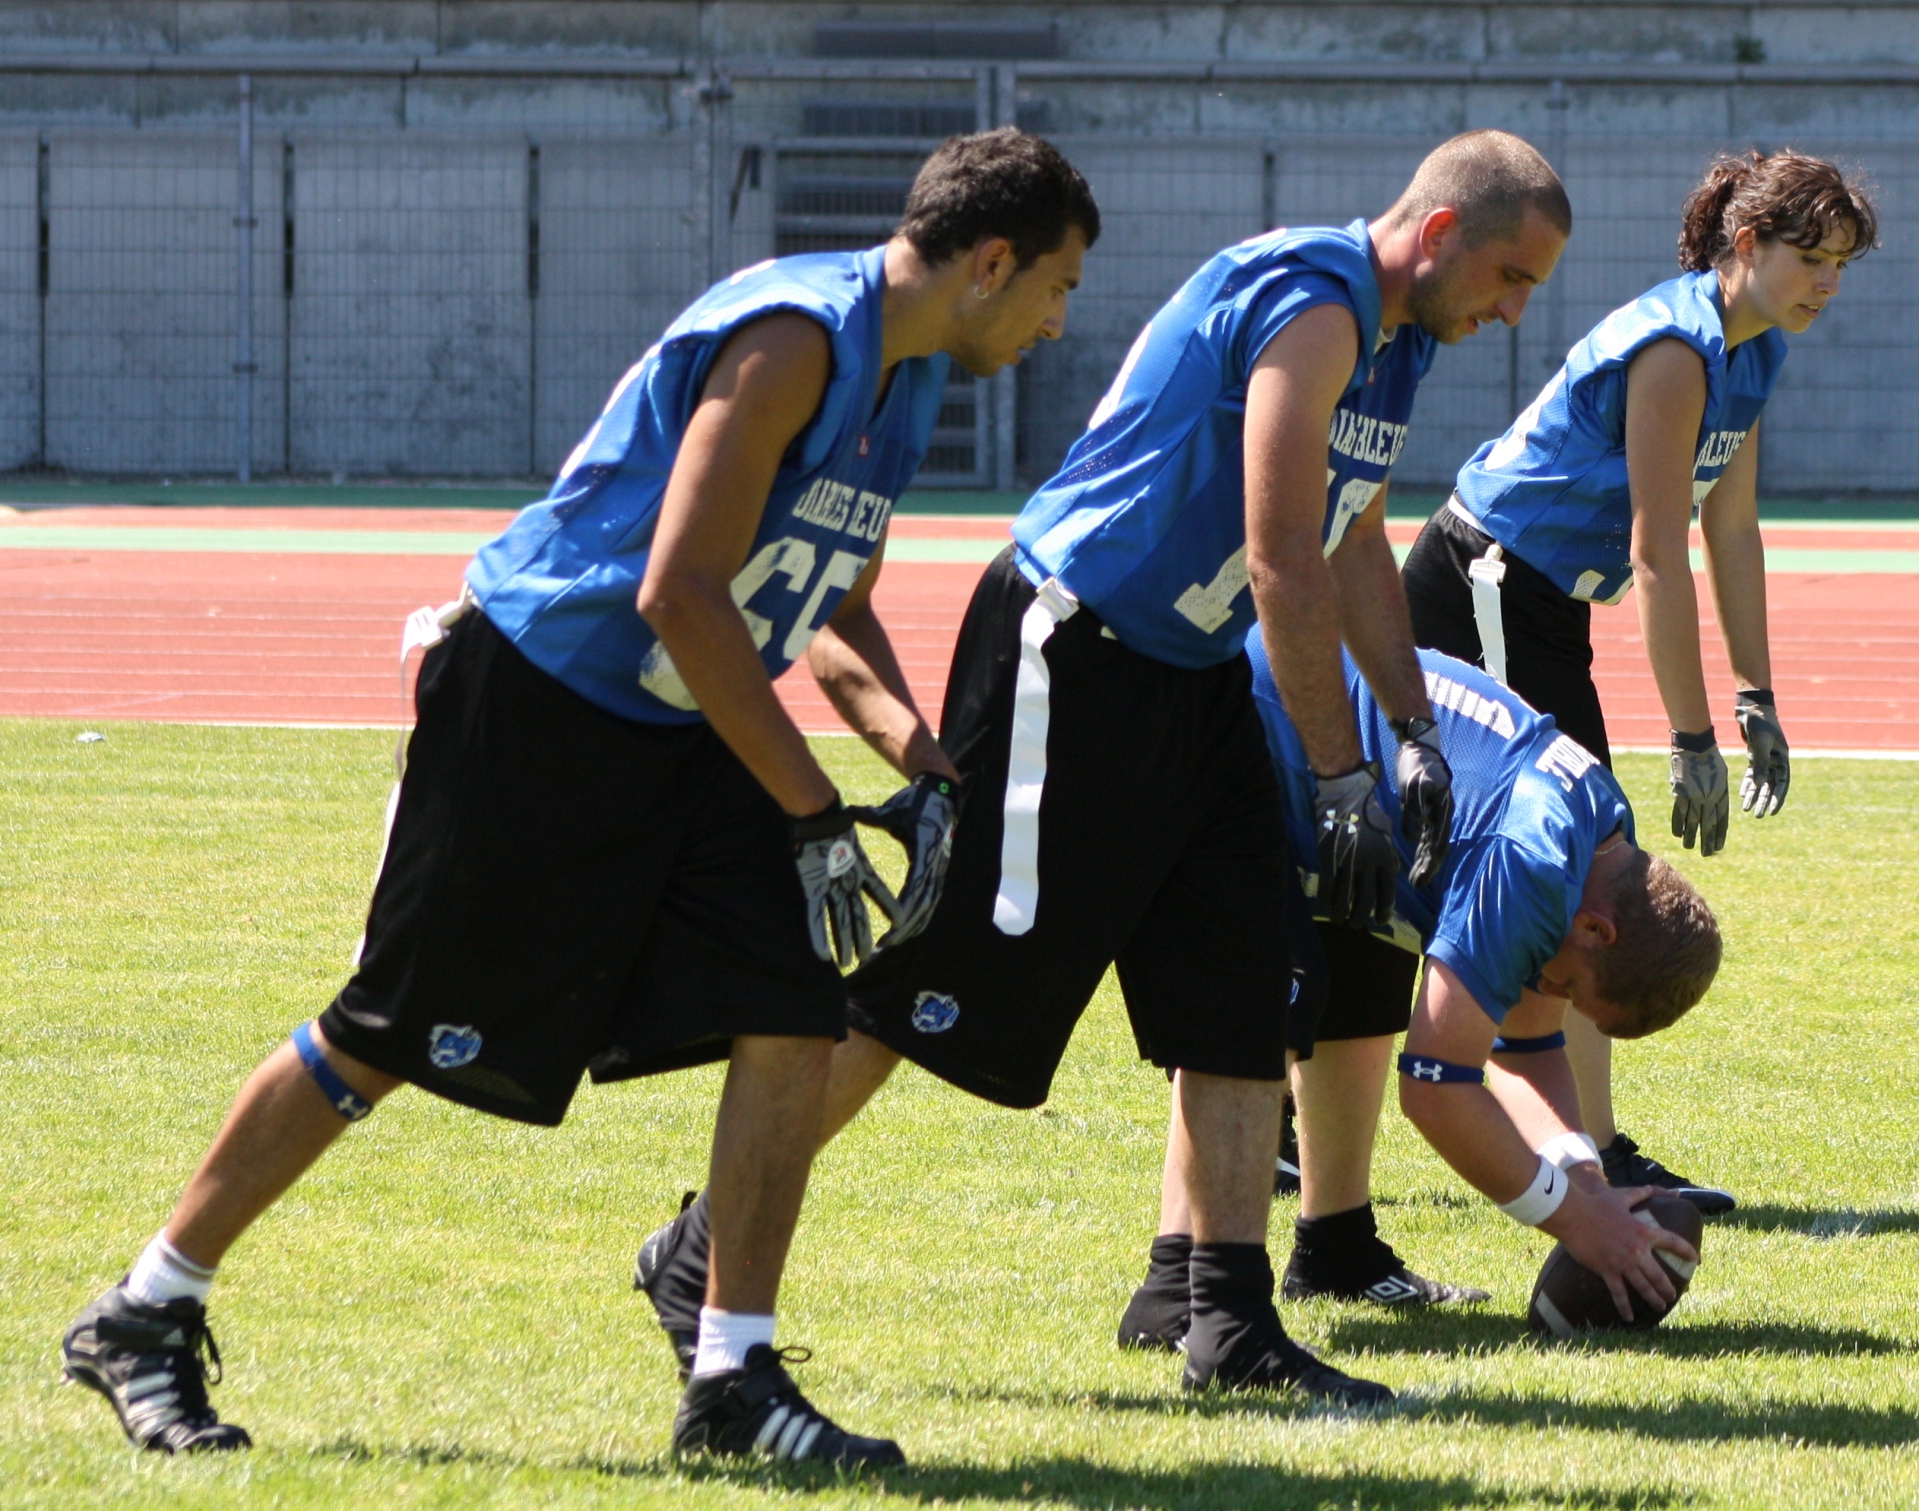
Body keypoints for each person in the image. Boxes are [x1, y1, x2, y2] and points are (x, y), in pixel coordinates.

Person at [58, 128, 1099, 1466]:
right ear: (989, 261)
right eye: (1055, 285)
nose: (1058, 318)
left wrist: (909, 745)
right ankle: (146, 1306)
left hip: (676, 717)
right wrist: (807, 807)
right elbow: (678, 586)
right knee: (389, 1030)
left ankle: (730, 1370)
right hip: (542, 698)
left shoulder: (900, 380)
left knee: (793, 1007)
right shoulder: (796, 342)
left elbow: (823, 591)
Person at [634, 131, 1568, 1408]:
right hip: (1070, 653)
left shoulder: (1394, 337)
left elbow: (1354, 532)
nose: (1515, 311)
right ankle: (702, 1249)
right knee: (939, 981)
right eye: (1513, 277)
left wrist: (1407, 723)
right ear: (1446, 235)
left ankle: (1223, 1317)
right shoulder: (1317, 299)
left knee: (1248, 974)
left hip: (1187, 675)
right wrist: (1343, 772)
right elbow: (1282, 548)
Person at [1401, 149, 1878, 1209]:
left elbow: (1733, 528)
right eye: (1811, 257)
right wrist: (1692, 736)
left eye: (1842, 264)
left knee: (1559, 859)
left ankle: (1587, 1144)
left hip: (1541, 597)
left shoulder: (1753, 354)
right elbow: (1658, 548)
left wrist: (1755, 693)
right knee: (1566, 858)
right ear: (1745, 244)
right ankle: (1577, 1147)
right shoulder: (1678, 347)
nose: (1827, 283)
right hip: (1488, 576)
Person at [1119, 640, 1718, 1342]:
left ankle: (1334, 1248)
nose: (1546, 988)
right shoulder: (1530, 857)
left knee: (1360, 979)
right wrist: (1573, 1218)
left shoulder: (1598, 837)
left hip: (1331, 776)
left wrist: (1581, 1172)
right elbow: (1435, 1086)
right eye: (1568, 983)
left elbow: (1525, 1045)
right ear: (1596, 929)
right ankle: (1173, 1288)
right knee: (1256, 1009)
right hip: (1223, 728)